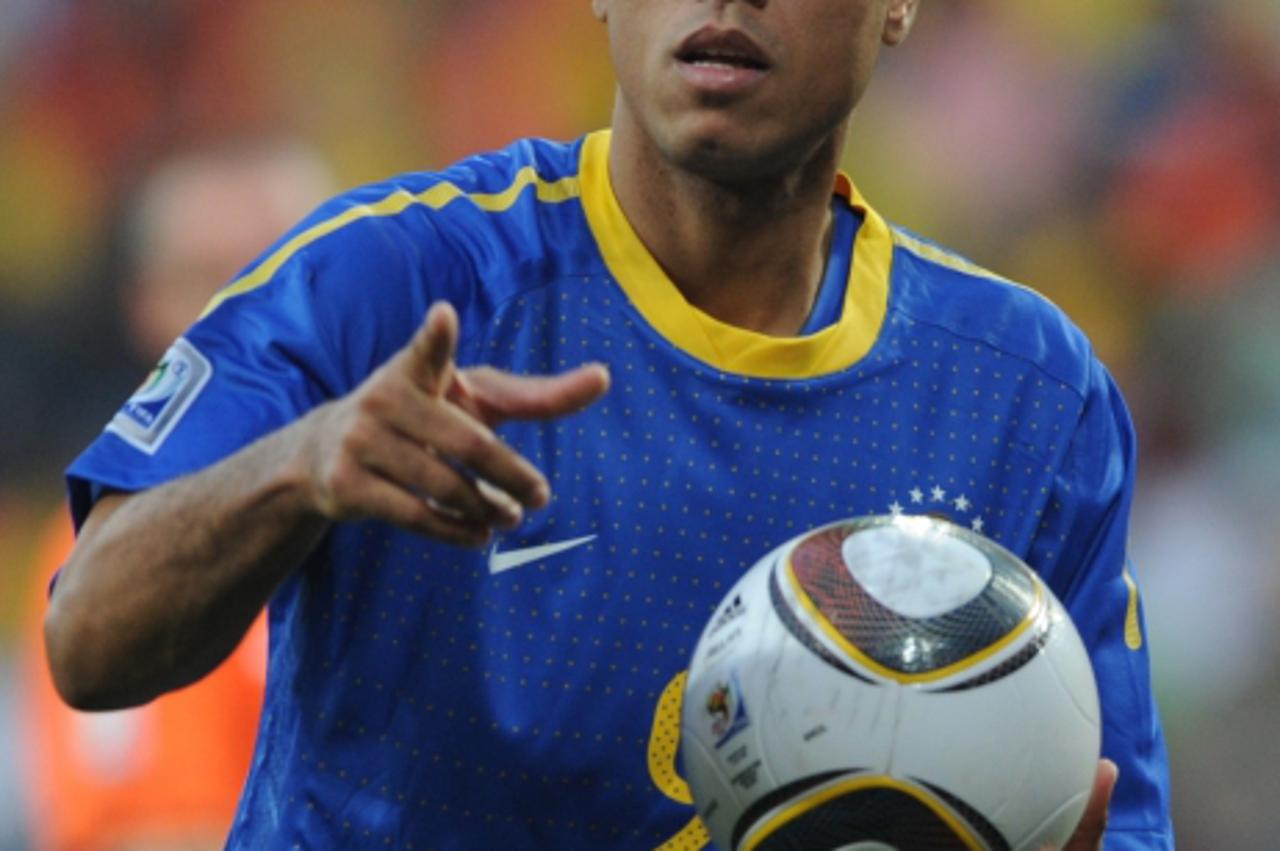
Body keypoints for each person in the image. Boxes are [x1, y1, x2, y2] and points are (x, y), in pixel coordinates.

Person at [45, 1, 1173, 848]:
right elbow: (86, 639)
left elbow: (1108, 811)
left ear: (898, 6)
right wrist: (299, 468)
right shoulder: (385, 280)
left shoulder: (1023, 389)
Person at [20, 138, 331, 850]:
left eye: (280, 272)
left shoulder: (466, 503)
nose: (243, 321)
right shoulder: (110, 553)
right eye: (204, 280)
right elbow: (131, 838)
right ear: (145, 306)